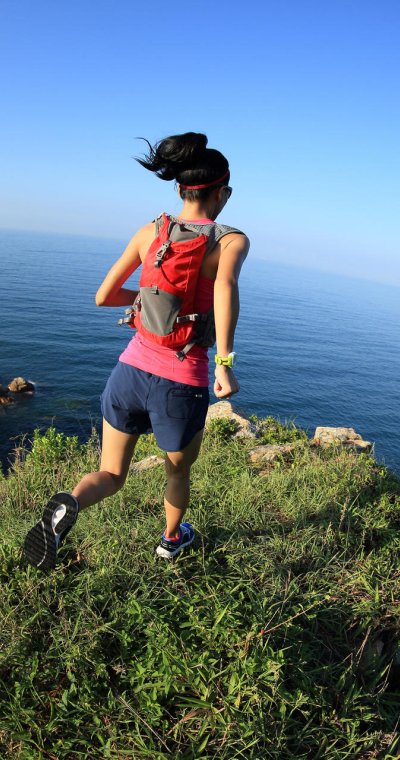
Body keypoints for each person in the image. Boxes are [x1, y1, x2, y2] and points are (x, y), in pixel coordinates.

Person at [23, 131, 249, 570]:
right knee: (177, 471)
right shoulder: (230, 241)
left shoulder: (151, 231)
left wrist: (146, 300)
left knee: (110, 474)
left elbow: (103, 296)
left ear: (182, 188)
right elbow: (225, 288)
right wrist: (224, 364)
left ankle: (67, 504)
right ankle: (170, 540)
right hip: (181, 382)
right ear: (223, 193)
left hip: (128, 372)